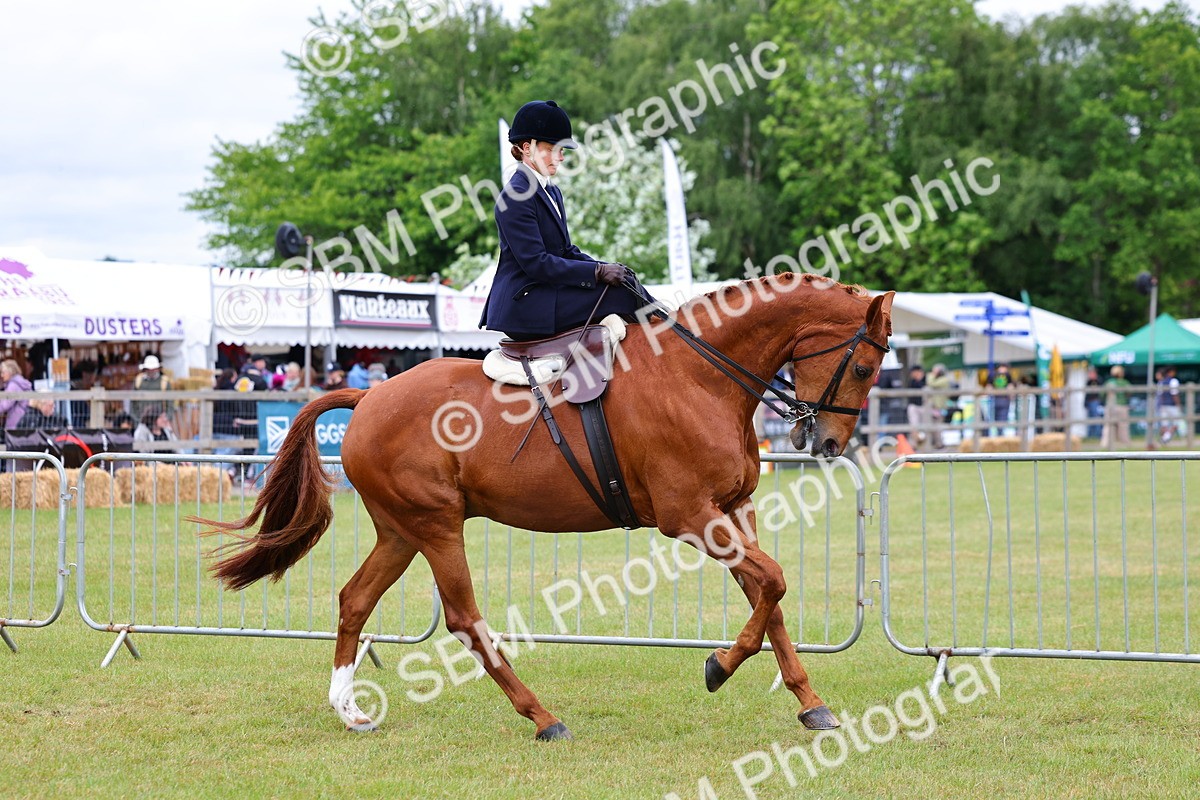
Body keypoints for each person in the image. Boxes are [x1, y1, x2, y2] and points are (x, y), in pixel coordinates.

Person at [479, 100, 655, 340]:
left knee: (626, 282)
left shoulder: (551, 192)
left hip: (546, 292)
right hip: (525, 303)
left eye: (562, 151)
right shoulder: (514, 197)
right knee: (619, 296)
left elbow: (566, 251)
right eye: (553, 149)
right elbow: (537, 263)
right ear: (526, 147)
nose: (560, 157)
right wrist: (597, 272)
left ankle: (667, 318)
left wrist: (605, 267)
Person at [131, 354, 170, 420]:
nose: (151, 371)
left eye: (153, 369)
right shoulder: (138, 381)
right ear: (145, 369)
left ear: (158, 369)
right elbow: (133, 403)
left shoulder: (164, 382)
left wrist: (167, 418)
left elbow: (170, 403)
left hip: (159, 420)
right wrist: (136, 419)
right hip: (141, 419)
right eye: (149, 369)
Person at [1100, 365, 1131, 449]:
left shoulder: (1108, 382)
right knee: (1123, 426)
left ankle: (1105, 443)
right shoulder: (1124, 382)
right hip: (1121, 406)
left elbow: (1102, 394)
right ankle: (1125, 444)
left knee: (1108, 426)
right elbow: (1129, 393)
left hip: (1110, 406)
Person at [0, 358, 33, 430]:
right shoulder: (20, 381)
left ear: (10, 372)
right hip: (23, 417)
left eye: (3, 372)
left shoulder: (13, 385)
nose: (1, 375)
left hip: (16, 419)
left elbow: (5, 404)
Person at [925, 364, 952, 449]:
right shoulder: (937, 379)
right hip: (933, 407)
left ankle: (940, 444)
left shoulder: (944, 380)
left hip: (940, 407)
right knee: (932, 426)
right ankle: (935, 444)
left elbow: (931, 383)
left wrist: (931, 375)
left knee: (938, 426)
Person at [1157, 367, 1181, 444]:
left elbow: (1160, 395)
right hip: (1172, 405)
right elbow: (1174, 394)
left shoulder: (1161, 382)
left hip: (1163, 405)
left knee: (1165, 424)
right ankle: (1166, 438)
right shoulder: (1173, 381)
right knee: (1175, 423)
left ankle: (1165, 439)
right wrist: (1178, 404)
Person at [905, 365, 926, 446]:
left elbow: (924, 387)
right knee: (914, 425)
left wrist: (920, 379)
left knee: (926, 426)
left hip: (924, 406)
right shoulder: (912, 381)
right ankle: (914, 444)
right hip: (914, 406)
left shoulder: (925, 379)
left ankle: (926, 444)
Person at [990, 364, 1013, 436]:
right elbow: (1010, 387)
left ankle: (997, 434)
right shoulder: (1008, 375)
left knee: (995, 418)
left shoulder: (992, 375)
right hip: (1004, 399)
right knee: (1003, 418)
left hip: (995, 399)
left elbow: (989, 387)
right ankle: (1000, 434)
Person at [1083, 368, 1104, 439]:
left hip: (1096, 402)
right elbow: (1086, 393)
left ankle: (1098, 435)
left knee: (1097, 418)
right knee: (1090, 419)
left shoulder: (1099, 380)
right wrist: (1085, 403)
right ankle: (1090, 435)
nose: (1090, 375)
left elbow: (1101, 392)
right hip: (1089, 402)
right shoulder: (1088, 382)